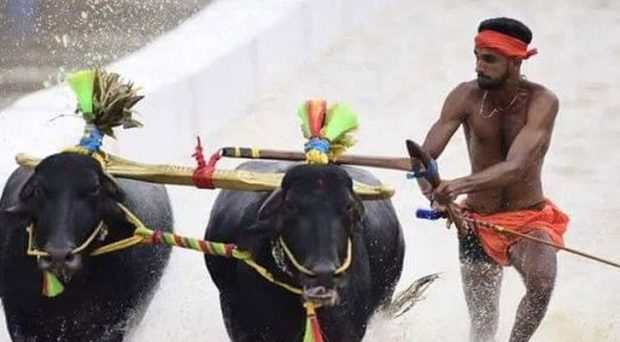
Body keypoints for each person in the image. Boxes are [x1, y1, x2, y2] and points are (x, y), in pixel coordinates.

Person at [416, 17, 570, 342]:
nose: (478, 66)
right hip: (476, 224)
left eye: (489, 59)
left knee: (542, 284)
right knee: (483, 330)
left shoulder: (543, 102)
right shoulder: (464, 97)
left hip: (528, 221)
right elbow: (424, 158)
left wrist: (458, 185)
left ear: (515, 61)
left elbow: (516, 166)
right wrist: (435, 195)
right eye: (476, 56)